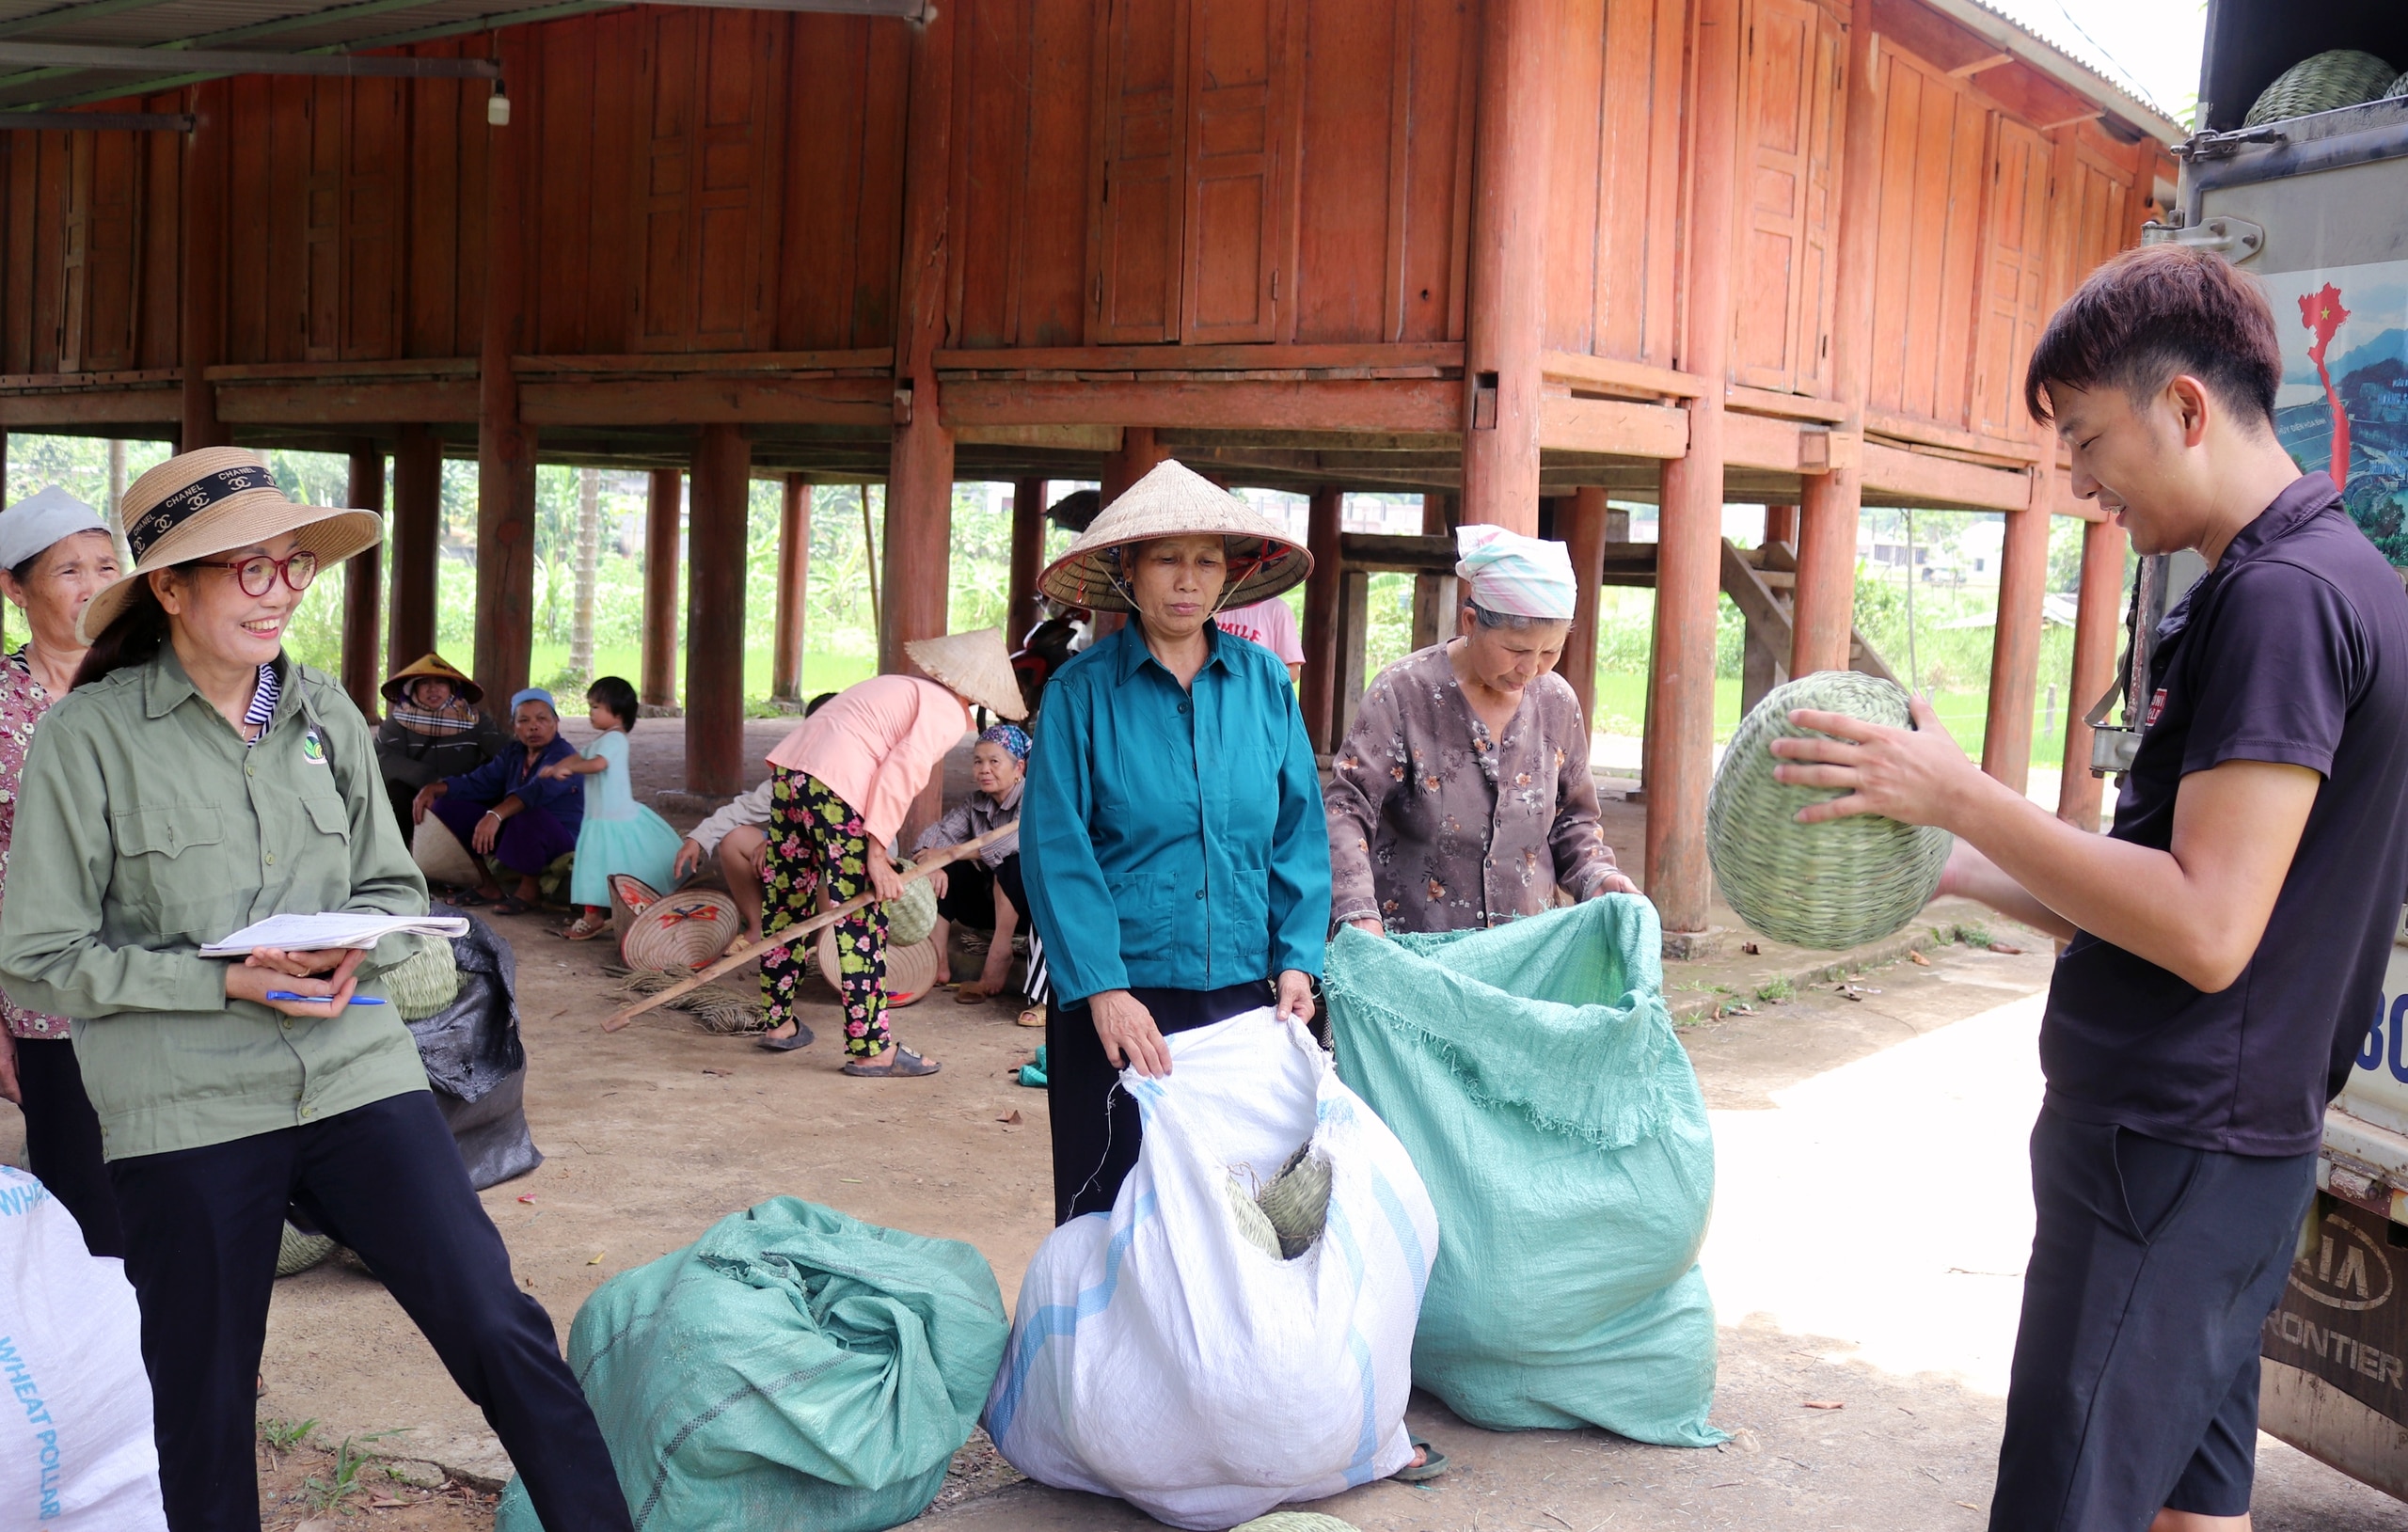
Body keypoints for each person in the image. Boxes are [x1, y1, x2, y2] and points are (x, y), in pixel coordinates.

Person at [1764, 247, 2408, 1531]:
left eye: (2086, 436)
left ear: (2182, 407)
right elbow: (2165, 896)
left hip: (2166, 1154)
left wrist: (1964, 791)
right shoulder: (2335, 579)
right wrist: (1955, 862)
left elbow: (2207, 928)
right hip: (2241, 1151)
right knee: (2190, 1508)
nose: (2077, 478)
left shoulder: (2277, 602)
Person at [0, 448, 629, 1532]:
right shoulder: (87, 738)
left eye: (292, 566)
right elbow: (38, 955)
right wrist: (226, 981)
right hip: (185, 1102)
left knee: (494, 1320)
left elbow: (387, 883)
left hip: (353, 1070)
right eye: (250, 569)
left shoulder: (323, 712)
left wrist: (359, 947)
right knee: (201, 1396)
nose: (283, 590)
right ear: (170, 587)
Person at [1021, 458, 1329, 1221]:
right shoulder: (1080, 693)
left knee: (1237, 1218)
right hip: (1121, 1000)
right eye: (1167, 559)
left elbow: (1297, 829)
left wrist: (1297, 957)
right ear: (1128, 570)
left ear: (1229, 575)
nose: (1187, 580)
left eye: (1206, 560)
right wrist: (1102, 989)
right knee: (1116, 1209)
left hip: (1244, 994)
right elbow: (1057, 849)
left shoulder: (1264, 685)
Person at [1326, 523, 1638, 936]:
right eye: (1516, 650)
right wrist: (1357, 908)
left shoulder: (1557, 702)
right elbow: (1348, 809)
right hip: (1415, 947)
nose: (1530, 669)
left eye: (1551, 651)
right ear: (1471, 621)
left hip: (1526, 950)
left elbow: (1572, 820)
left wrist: (1597, 874)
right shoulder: (1403, 693)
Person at [752, 627, 1029, 1075]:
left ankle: (778, 1022)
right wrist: (877, 852)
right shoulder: (942, 709)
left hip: (792, 775)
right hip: (835, 789)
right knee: (861, 915)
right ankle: (870, 1048)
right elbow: (900, 772)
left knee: (787, 902)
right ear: (979, 693)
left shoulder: (900, 687)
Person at [0, 486, 124, 1259]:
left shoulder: (154, 687)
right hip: (47, 1000)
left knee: (184, 1191)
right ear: (15, 588)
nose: (93, 586)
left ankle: (194, 1373)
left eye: (107, 566)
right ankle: (109, 1375)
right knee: (85, 1203)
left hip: (169, 986)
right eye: (69, 569)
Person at [674, 688, 841, 949]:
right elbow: (744, 808)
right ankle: (758, 927)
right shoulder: (793, 772)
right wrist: (698, 838)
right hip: (796, 858)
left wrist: (783, 838)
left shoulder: (864, 771)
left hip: (845, 862)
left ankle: (827, 943)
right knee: (734, 839)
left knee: (827, 861)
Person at [412, 687, 582, 915]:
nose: (534, 726)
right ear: (514, 726)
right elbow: (479, 782)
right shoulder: (513, 753)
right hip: (518, 832)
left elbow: (536, 792)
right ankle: (486, 885)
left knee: (528, 813)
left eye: (542, 718)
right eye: (524, 720)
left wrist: (495, 814)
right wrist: (435, 788)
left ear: (556, 722)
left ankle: (529, 891)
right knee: (446, 807)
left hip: (560, 837)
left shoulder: (564, 755)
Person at [538, 675, 682, 940]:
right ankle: (600, 913)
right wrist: (559, 766)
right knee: (602, 866)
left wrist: (569, 768)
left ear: (617, 712)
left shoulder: (615, 740)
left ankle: (595, 916)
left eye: (595, 707)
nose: (590, 712)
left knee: (599, 866)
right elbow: (582, 756)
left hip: (611, 818)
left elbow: (597, 764)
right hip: (601, 817)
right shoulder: (603, 739)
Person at [916, 722, 1044, 1021]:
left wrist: (949, 852)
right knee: (944, 867)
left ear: (1019, 768)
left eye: (994, 762)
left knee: (1013, 863)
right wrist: (935, 862)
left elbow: (1012, 844)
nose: (984, 769)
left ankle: (999, 953)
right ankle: (938, 961)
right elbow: (930, 840)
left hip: (1029, 912)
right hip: (986, 905)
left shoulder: (1034, 799)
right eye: (978, 761)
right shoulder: (976, 803)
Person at [373, 653, 506, 848]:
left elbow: (505, 753)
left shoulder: (475, 721)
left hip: (462, 792)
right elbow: (382, 758)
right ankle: (398, 855)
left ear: (452, 688)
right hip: (413, 798)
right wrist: (429, 780)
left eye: (440, 683)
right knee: (394, 793)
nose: (433, 689)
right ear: (413, 689)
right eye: (424, 683)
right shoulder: (398, 722)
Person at [1213, 594, 1305, 685]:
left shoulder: (1277, 609)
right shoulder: (1216, 606)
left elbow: (1293, 672)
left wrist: (1257, 673)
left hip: (1255, 692)